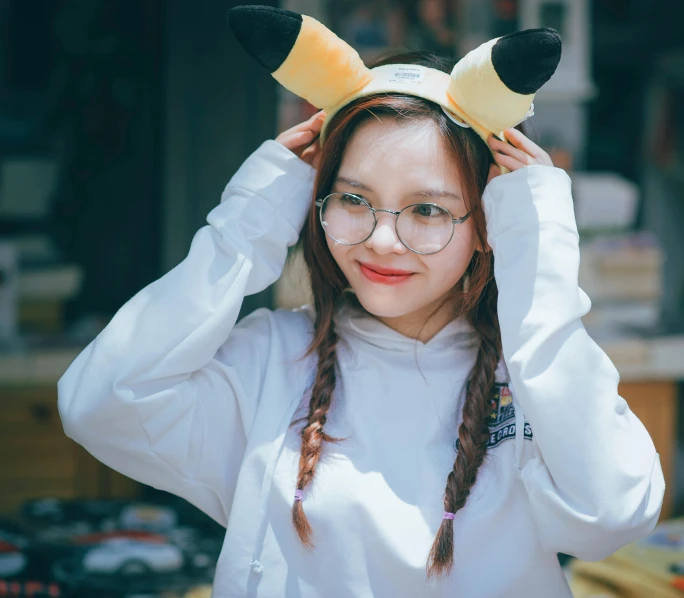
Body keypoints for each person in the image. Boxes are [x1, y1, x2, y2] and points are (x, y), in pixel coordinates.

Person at [57, 8, 665, 598]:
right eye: (352, 199)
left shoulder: (533, 376)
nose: (380, 239)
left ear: (488, 222)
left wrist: (538, 259)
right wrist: (246, 223)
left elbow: (611, 513)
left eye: (426, 210)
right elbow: (100, 402)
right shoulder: (270, 360)